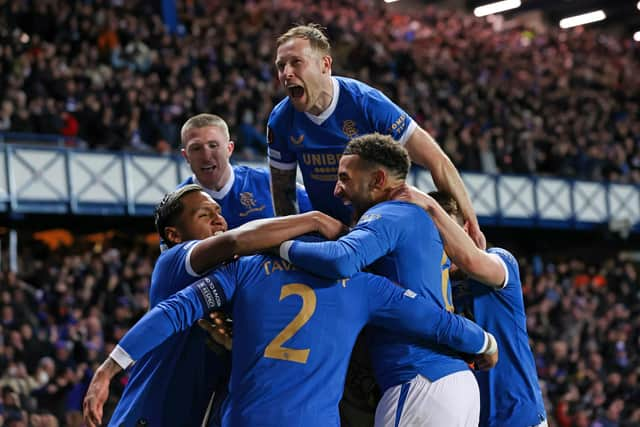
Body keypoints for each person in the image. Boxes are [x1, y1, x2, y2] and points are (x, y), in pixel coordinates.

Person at [83, 251, 499, 427]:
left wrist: (110, 367)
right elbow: (436, 322)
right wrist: (484, 342)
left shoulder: (246, 268)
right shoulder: (361, 283)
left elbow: (172, 311)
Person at [86, 184, 344, 427]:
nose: (218, 219)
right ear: (174, 235)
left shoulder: (236, 278)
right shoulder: (174, 263)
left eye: (218, 212)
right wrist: (314, 220)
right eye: (204, 215)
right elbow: (235, 241)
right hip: (149, 414)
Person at [278, 133, 482, 426]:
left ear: (377, 181)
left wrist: (279, 246)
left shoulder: (390, 213)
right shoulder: (413, 219)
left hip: (418, 380)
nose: (337, 190)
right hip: (447, 381)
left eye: (345, 178)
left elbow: (340, 260)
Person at [267, 24, 485, 250]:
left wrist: (472, 226)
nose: (286, 73)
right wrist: (290, 245)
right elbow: (283, 193)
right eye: (281, 66)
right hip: (329, 234)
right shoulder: (280, 121)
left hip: (380, 232)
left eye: (296, 62)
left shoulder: (366, 103)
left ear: (325, 65)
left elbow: (437, 161)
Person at [396, 189, 548, 427]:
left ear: (465, 229)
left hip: (519, 418)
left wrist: (427, 205)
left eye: (443, 233)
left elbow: (470, 260)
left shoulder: (500, 261)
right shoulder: (430, 285)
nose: (439, 243)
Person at [179, 113, 312, 230]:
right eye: (196, 148)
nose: (206, 156)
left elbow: (317, 214)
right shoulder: (178, 205)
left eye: (213, 145)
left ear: (229, 149)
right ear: (186, 156)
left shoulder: (266, 181)